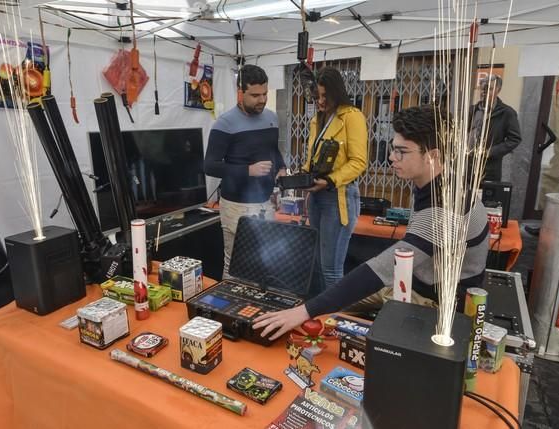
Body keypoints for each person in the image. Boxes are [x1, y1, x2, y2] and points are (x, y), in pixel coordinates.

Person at [254, 106, 489, 340]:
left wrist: (303, 312)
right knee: (328, 306)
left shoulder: (447, 209)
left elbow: (384, 268)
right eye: (392, 149)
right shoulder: (433, 186)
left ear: (433, 156)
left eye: (401, 152)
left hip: (438, 304)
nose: (391, 158)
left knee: (329, 315)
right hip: (414, 284)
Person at [204, 64, 286, 278]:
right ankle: (229, 308)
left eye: (265, 94)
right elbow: (210, 165)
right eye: (255, 95)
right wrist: (247, 170)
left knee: (266, 262)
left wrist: (282, 167)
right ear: (240, 93)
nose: (262, 100)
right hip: (236, 206)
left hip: (266, 203)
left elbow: (273, 150)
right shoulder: (225, 123)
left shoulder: (271, 117)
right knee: (236, 265)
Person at [303, 67, 368, 290]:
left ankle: (335, 319)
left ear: (336, 93)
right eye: (317, 96)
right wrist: (303, 176)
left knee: (331, 268)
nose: (320, 101)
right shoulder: (317, 120)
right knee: (321, 265)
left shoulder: (352, 117)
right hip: (317, 197)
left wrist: (330, 180)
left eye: (324, 96)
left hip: (338, 196)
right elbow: (313, 157)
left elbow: (359, 161)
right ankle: (324, 314)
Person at [469, 74, 521, 181]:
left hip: (489, 169)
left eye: (489, 89)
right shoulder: (472, 110)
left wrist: (490, 152)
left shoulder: (507, 113)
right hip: (468, 167)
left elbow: (514, 139)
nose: (484, 92)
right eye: (482, 88)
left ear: (498, 90)